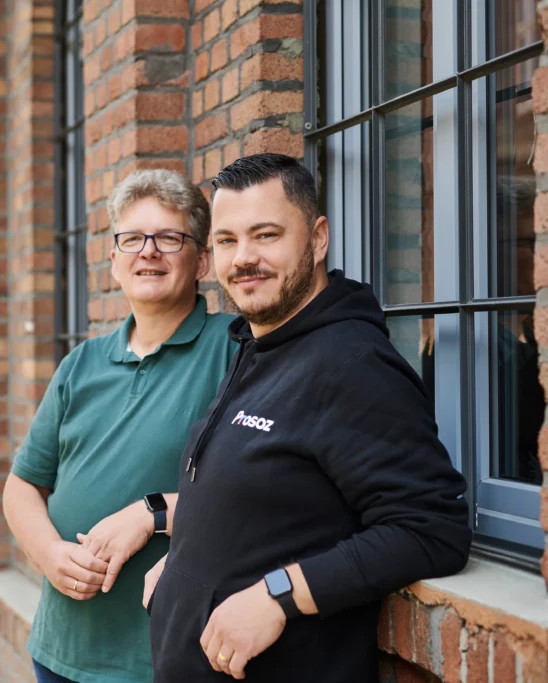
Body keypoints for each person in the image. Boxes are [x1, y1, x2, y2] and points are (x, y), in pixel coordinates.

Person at [145, 153, 472, 682]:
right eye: (227, 241)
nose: (243, 258)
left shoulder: (353, 365)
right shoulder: (257, 347)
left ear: (317, 239)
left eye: (266, 235)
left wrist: (278, 596)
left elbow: (430, 529)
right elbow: (272, 500)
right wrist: (185, 560)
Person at [2, 169, 237, 683]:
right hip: (60, 650)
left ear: (201, 260)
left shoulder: (235, 351)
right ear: (113, 261)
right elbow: (22, 485)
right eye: (132, 239)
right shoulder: (80, 365)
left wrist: (151, 514)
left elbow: (261, 493)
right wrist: (49, 554)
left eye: (169, 238)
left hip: (160, 660)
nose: (147, 251)